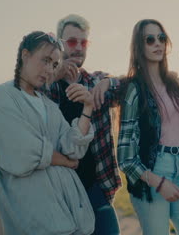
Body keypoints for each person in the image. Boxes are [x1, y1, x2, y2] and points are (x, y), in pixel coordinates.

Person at [0, 31, 95, 235]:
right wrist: (66, 162)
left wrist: (87, 107)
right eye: (45, 60)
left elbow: (74, 148)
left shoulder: (50, 106)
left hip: (72, 215)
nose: (49, 70)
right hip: (36, 220)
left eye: (54, 65)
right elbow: (24, 152)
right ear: (25, 56)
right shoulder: (2, 96)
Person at [117, 19, 179, 235]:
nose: (157, 44)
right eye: (150, 40)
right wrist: (159, 183)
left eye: (161, 38)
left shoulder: (176, 85)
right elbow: (125, 157)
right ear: (139, 46)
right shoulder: (134, 89)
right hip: (153, 174)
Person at [43, 14, 121, 235]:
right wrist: (53, 75)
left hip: (97, 188)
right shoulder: (45, 85)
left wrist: (109, 82)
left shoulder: (96, 81)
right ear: (59, 43)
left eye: (83, 42)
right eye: (71, 41)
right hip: (58, 192)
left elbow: (130, 85)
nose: (78, 48)